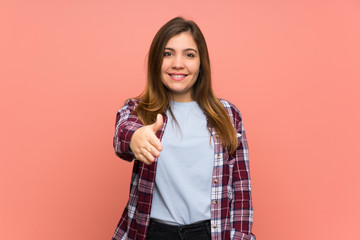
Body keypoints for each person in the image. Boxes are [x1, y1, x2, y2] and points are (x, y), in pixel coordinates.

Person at [112, 17, 255, 240]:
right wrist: (136, 137)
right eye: (168, 53)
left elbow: (241, 188)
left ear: (201, 63)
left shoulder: (228, 114)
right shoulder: (140, 111)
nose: (178, 63)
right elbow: (122, 134)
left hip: (210, 233)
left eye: (189, 55)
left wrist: (242, 237)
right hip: (153, 233)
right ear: (156, 61)